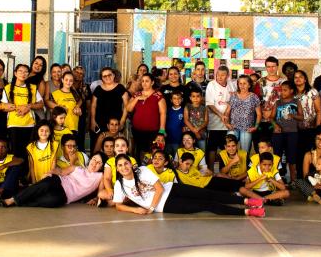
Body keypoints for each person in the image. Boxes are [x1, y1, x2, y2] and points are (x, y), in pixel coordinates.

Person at [112, 154, 265, 216]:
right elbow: (118, 205)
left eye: (126, 163)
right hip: (166, 205)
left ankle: (246, 201)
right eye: (120, 165)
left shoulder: (142, 170)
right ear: (117, 168)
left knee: (207, 193)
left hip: (172, 188)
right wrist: (135, 210)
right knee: (206, 204)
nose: (124, 167)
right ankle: (247, 213)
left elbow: (159, 189)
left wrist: (150, 208)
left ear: (131, 164)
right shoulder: (119, 184)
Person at [0, 152, 108, 208]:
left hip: (67, 195)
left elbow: (100, 192)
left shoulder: (100, 176)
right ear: (90, 159)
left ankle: (23, 203)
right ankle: (13, 200)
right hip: (60, 181)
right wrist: (50, 172)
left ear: (102, 166)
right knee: (45, 184)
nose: (94, 163)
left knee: (52, 200)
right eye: (94, 159)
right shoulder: (77, 168)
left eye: (98, 162)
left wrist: (94, 199)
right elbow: (61, 171)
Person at [3, 64, 44, 177]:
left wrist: (28, 106)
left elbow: (40, 104)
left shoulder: (32, 87)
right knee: (16, 152)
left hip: (29, 124)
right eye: (20, 71)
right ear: (15, 73)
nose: (23, 74)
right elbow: (4, 106)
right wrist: (19, 108)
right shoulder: (7, 88)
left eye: (26, 72)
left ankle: (27, 176)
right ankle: (15, 176)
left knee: (28, 152)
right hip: (14, 124)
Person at [127, 73, 166, 160]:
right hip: (138, 130)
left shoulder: (158, 95)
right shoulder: (137, 95)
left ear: (152, 82)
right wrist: (137, 99)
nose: (144, 83)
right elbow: (128, 109)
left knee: (152, 151)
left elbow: (163, 113)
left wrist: (162, 130)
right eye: (142, 81)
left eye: (147, 81)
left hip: (153, 131)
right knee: (139, 152)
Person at [271, 81, 303, 185]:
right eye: (281, 90)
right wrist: (275, 125)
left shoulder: (296, 102)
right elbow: (271, 117)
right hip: (278, 133)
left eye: (285, 90)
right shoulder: (277, 102)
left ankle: (293, 180)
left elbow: (301, 117)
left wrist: (292, 116)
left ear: (291, 91)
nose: (282, 93)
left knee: (292, 156)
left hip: (292, 132)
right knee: (277, 156)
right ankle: (278, 179)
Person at [205, 66, 236, 170]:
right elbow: (209, 104)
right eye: (218, 74)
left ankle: (225, 171)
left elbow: (234, 101)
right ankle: (211, 170)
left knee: (226, 147)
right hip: (214, 124)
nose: (220, 77)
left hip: (228, 123)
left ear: (228, 75)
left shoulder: (231, 85)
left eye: (223, 75)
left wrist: (226, 115)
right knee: (212, 148)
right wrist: (220, 115)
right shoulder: (211, 85)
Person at [90, 66, 128, 153]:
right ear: (101, 78)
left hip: (115, 123)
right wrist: (92, 120)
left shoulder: (121, 88)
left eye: (109, 75)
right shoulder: (98, 89)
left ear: (114, 75)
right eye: (105, 76)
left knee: (116, 146)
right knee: (97, 145)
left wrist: (122, 121)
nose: (107, 77)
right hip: (100, 122)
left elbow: (126, 106)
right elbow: (93, 106)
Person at [175, 152, 250, 195]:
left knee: (231, 183)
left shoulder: (193, 168)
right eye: (187, 164)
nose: (188, 167)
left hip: (211, 180)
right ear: (181, 161)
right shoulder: (176, 173)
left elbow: (203, 174)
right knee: (226, 192)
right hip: (204, 187)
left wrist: (209, 173)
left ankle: (249, 186)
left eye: (190, 165)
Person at [255, 56, 286, 152]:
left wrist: (272, 112)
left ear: (277, 67)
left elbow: (286, 100)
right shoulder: (260, 82)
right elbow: (256, 100)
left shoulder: (283, 82)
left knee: (279, 148)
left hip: (279, 120)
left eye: (273, 66)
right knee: (263, 147)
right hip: (264, 120)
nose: (271, 69)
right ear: (265, 68)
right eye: (268, 66)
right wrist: (263, 112)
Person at [225, 74, 261, 153]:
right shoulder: (234, 96)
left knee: (244, 152)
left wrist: (256, 126)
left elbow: (259, 114)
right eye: (240, 83)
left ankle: (243, 166)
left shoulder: (254, 97)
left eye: (244, 83)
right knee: (230, 150)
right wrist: (227, 123)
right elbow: (227, 112)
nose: (242, 86)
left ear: (249, 85)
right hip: (233, 127)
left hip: (247, 128)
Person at [294, 70, 321, 166]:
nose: (298, 79)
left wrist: (318, 126)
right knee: (298, 153)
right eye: (296, 77)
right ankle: (299, 178)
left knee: (309, 153)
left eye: (300, 77)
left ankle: (309, 175)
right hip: (295, 128)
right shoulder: (291, 93)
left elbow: (319, 110)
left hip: (310, 128)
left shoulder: (312, 92)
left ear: (305, 79)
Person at [101, 137, 138, 206]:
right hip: (115, 190)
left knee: (134, 194)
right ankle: (126, 201)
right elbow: (107, 178)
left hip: (129, 189)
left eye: (123, 145)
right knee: (101, 194)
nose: (120, 148)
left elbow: (134, 177)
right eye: (117, 146)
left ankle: (112, 203)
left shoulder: (132, 160)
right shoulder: (110, 161)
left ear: (127, 148)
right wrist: (109, 189)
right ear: (114, 149)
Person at [48, 71, 82, 135]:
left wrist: (77, 108)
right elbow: (51, 110)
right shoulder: (55, 94)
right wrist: (60, 109)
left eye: (71, 80)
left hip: (73, 126)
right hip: (60, 127)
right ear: (62, 80)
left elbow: (80, 101)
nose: (68, 82)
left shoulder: (75, 94)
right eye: (66, 80)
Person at [26, 120, 59, 184]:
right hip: (37, 178)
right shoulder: (31, 147)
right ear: (37, 131)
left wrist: (50, 178)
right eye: (41, 130)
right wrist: (34, 182)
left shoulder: (54, 144)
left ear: (50, 132)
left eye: (47, 131)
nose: (44, 133)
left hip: (49, 177)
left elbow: (53, 163)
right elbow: (31, 166)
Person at [72, 65, 92, 153]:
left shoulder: (85, 88)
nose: (78, 75)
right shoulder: (67, 85)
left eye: (81, 74)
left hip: (81, 119)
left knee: (80, 143)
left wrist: (88, 122)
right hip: (68, 118)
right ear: (72, 72)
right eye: (76, 72)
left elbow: (89, 106)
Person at [27, 56, 48, 120]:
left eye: (40, 65)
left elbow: (38, 101)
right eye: (36, 63)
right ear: (32, 63)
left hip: (35, 112)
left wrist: (26, 107)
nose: (37, 66)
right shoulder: (24, 75)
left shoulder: (41, 82)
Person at [165, 91, 184, 157]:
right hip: (167, 139)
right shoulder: (167, 110)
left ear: (182, 99)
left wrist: (183, 139)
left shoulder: (183, 111)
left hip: (178, 139)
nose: (177, 100)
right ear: (171, 100)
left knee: (178, 158)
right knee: (167, 157)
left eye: (178, 98)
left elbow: (184, 127)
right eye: (175, 98)